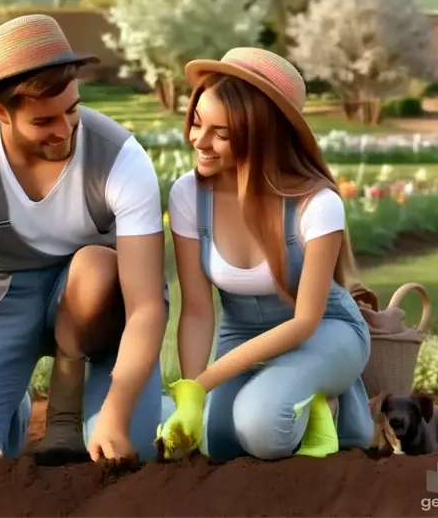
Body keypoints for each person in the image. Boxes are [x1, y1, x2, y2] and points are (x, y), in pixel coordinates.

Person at [0, 14, 168, 469]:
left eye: (73, 110)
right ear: (0, 112)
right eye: (43, 121)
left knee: (124, 448)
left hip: (99, 309)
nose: (66, 129)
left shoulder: (121, 158)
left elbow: (146, 306)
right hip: (3, 299)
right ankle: (8, 406)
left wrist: (115, 415)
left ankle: (143, 408)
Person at [156, 48, 374, 462]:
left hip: (325, 333)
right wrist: (189, 399)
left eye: (221, 133)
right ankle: (297, 396)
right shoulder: (188, 195)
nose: (199, 141)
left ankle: (334, 408)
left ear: (264, 134)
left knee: (261, 429)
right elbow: (198, 311)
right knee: (217, 442)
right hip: (242, 336)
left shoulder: (315, 203)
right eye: (197, 123)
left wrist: (205, 383)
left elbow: (304, 322)